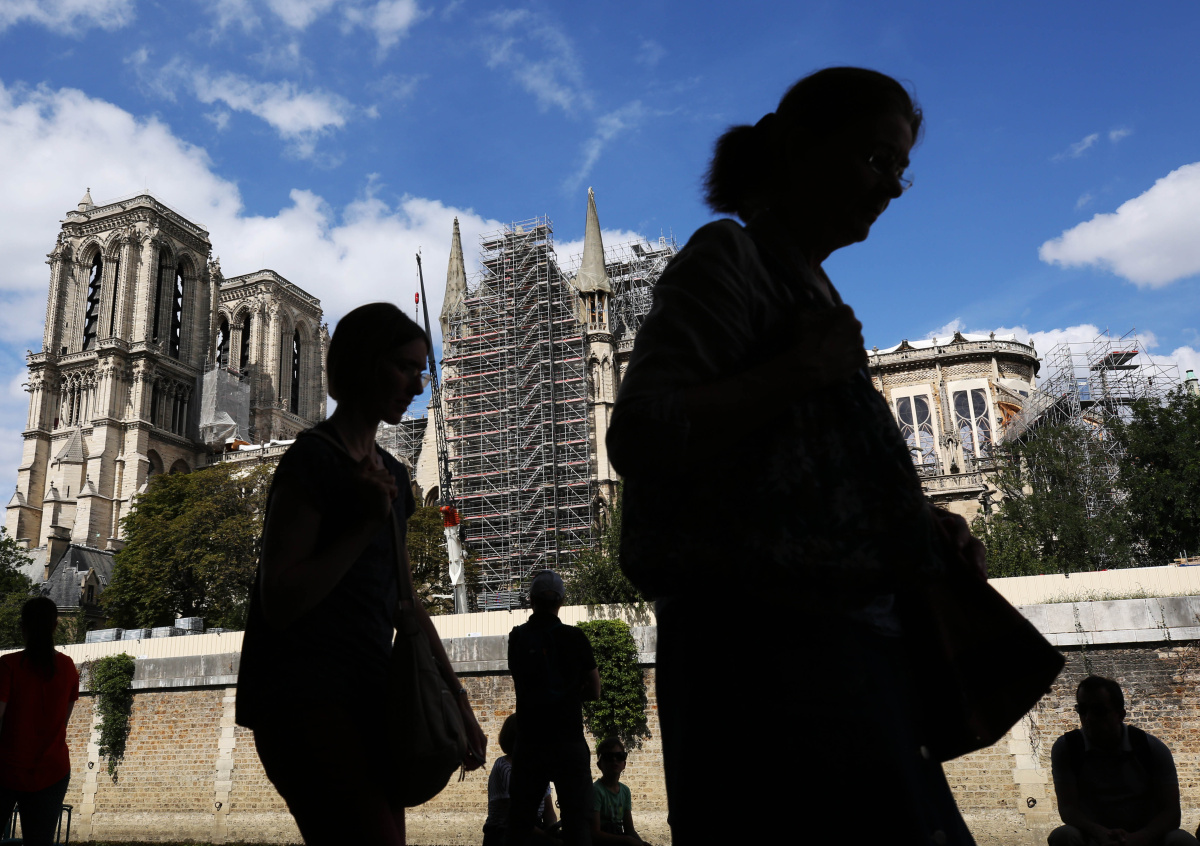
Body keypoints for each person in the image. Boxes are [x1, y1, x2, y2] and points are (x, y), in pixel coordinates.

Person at [606, 67, 982, 845]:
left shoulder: (811, 289)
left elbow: (808, 462)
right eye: (876, 159)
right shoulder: (729, 258)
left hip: (856, 651)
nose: (894, 186)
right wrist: (799, 370)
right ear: (799, 149)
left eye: (901, 168)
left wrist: (917, 521)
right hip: (767, 663)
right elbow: (640, 433)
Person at [235, 303, 487, 846]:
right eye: (404, 367)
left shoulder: (392, 472)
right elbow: (280, 597)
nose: (417, 385)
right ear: (362, 365)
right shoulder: (312, 460)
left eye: (421, 370)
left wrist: (459, 701)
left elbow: (407, 602)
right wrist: (362, 525)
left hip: (371, 697)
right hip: (307, 700)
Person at [505, 570, 601, 846]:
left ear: (531, 600)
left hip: (531, 742)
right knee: (577, 823)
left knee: (520, 823)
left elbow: (521, 679)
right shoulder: (575, 638)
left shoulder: (518, 638)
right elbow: (594, 691)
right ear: (561, 601)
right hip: (568, 740)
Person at [1049, 676, 1198, 846]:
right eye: (1082, 709)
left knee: (1181, 841)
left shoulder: (1150, 748)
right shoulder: (1068, 748)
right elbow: (1068, 809)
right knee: (1063, 835)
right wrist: (1100, 833)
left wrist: (1139, 838)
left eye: (1098, 710)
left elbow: (1172, 813)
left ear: (1120, 715)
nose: (1088, 717)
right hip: (1094, 838)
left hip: (1144, 838)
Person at [0, 596, 80, 846]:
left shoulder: (8, 666)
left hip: (6, 769)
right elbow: (62, 723)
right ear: (55, 626)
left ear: (22, 626)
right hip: (52, 770)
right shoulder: (67, 666)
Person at [483, 714, 559, 846]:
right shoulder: (505, 767)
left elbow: (548, 810)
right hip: (504, 833)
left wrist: (552, 828)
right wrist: (550, 839)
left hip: (532, 829)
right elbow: (516, 818)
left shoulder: (538, 767)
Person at [590, 738, 647, 846]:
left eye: (620, 756)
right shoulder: (596, 791)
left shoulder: (625, 791)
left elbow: (629, 829)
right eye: (608, 757)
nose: (614, 760)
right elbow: (595, 833)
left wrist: (642, 843)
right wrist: (627, 840)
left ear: (624, 764)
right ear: (599, 765)